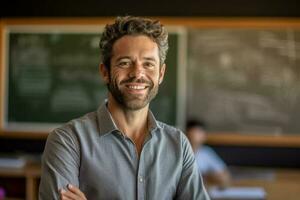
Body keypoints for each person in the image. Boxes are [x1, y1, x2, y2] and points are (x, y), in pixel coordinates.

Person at [39, 16, 210, 200]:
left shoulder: (178, 145)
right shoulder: (68, 141)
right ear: (105, 72)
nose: (137, 73)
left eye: (148, 64)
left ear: (160, 74)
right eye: (125, 63)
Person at [186, 120, 231, 188]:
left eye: (200, 132)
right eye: (195, 132)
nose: (196, 136)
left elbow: (224, 176)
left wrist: (207, 177)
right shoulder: (181, 152)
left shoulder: (206, 152)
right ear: (186, 134)